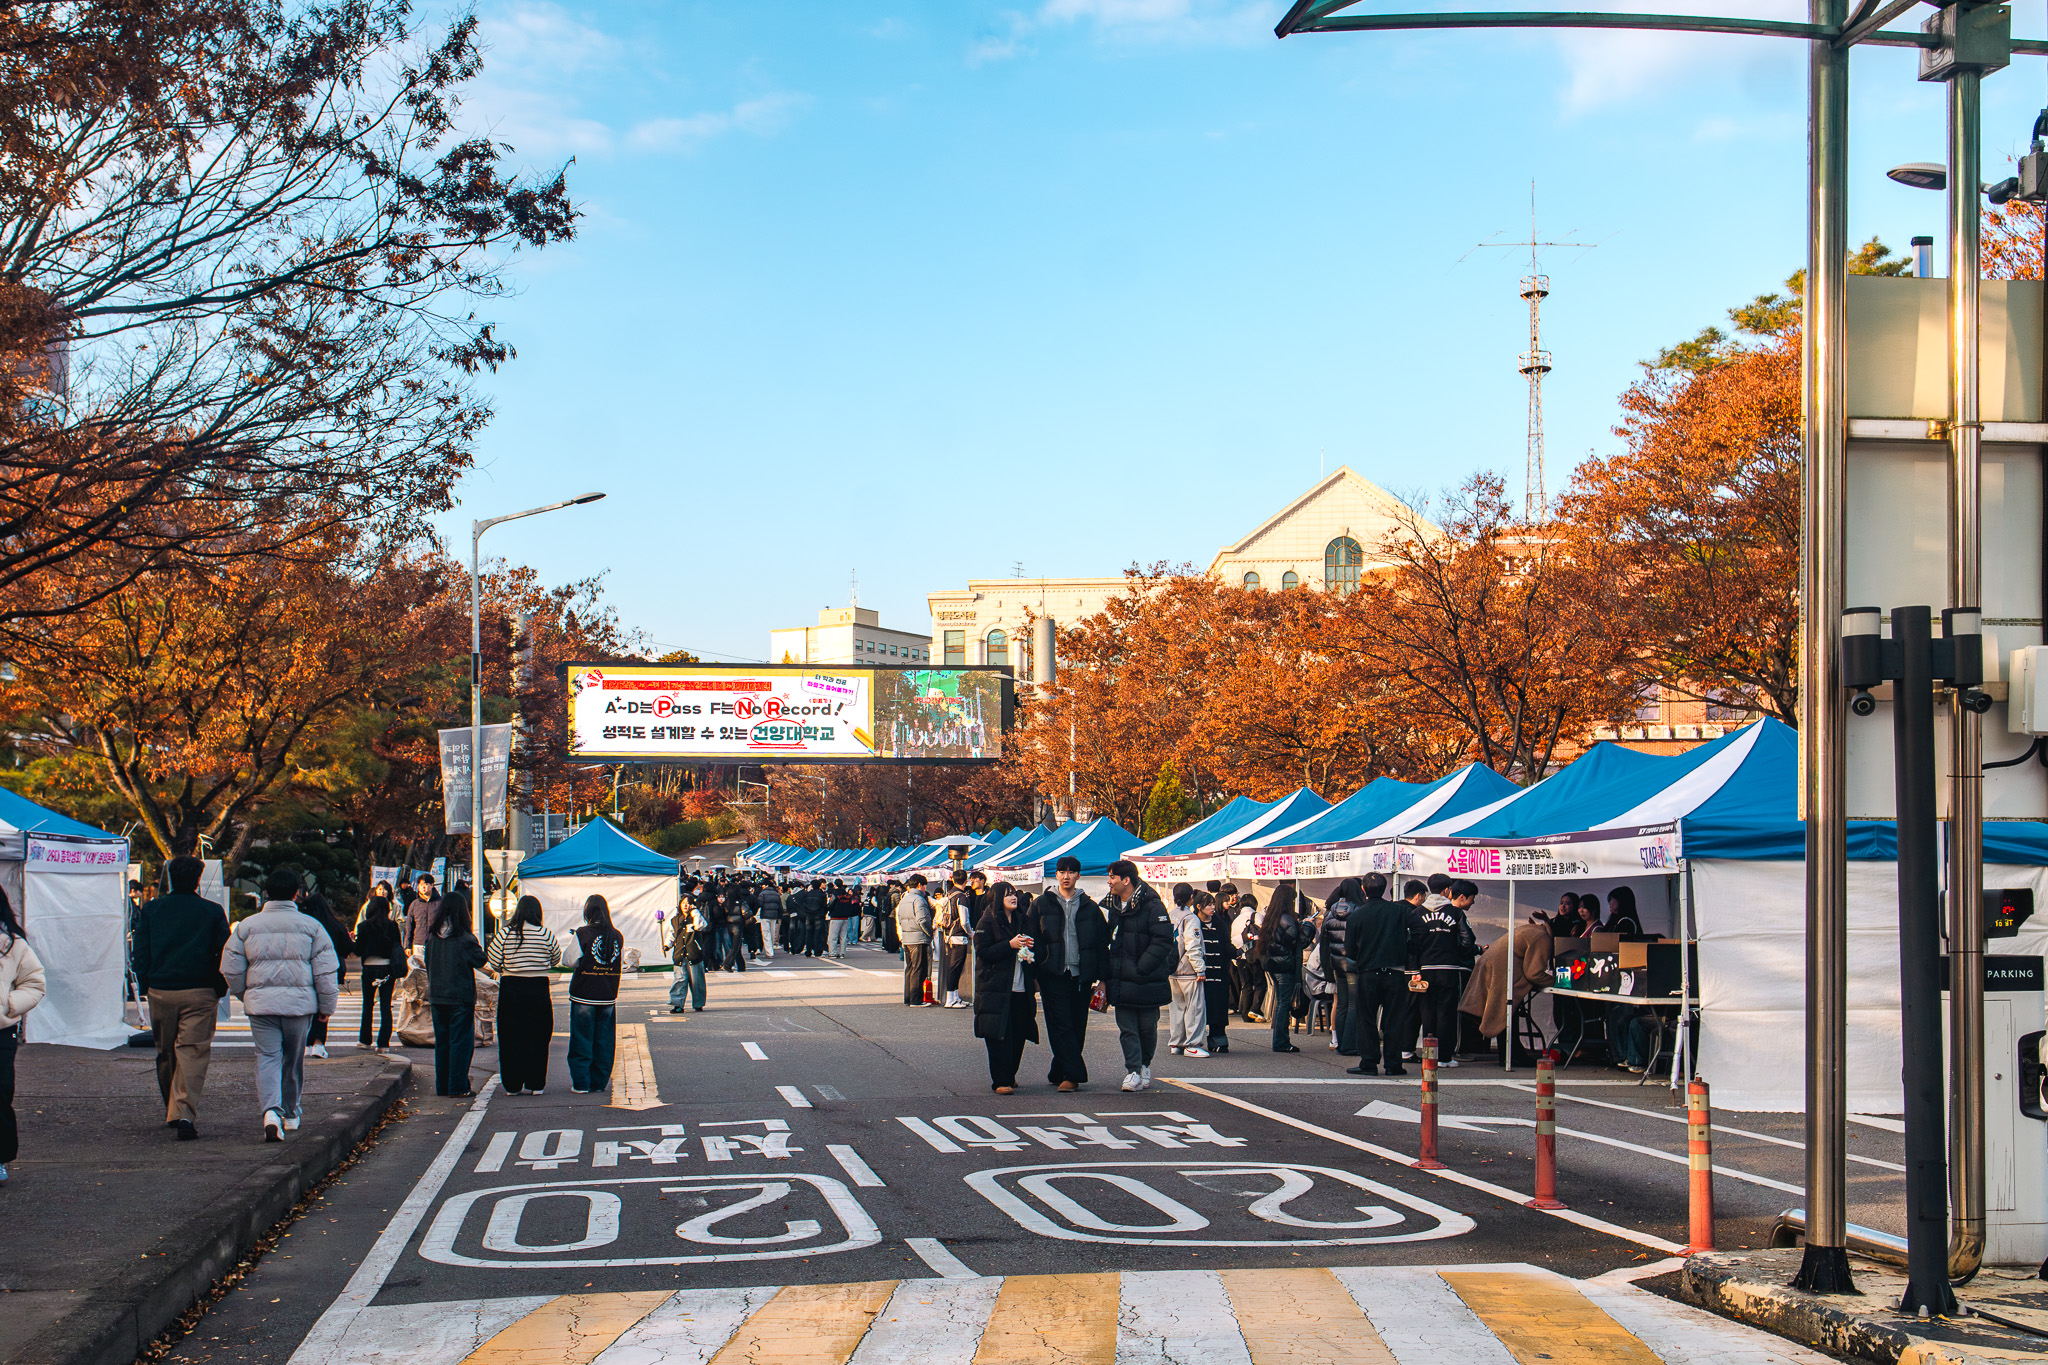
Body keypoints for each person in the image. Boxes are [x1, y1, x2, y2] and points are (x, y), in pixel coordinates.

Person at [222, 868, 339, 1140]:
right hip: (299, 1007)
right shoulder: (312, 927)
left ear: (266, 894)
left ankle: (270, 1111)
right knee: (293, 1058)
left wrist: (246, 993)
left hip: (261, 1006)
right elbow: (325, 973)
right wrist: (326, 1008)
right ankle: (290, 1112)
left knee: (267, 1057)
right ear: (297, 893)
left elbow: (230, 968)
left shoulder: (247, 926)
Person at [132, 856, 230, 1140]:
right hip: (200, 990)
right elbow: (224, 953)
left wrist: (146, 982)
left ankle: (172, 1109)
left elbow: (141, 952)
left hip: (161, 990)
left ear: (171, 878)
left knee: (165, 1052)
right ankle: (183, 1112)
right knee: (192, 1050)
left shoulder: (152, 909)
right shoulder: (212, 911)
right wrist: (219, 987)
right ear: (199, 879)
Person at [1026, 856, 1107, 1091]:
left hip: (1082, 974)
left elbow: (1102, 944)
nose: (1066, 876)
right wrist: (1032, 970)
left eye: (1071, 872)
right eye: (1062, 871)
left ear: (1078, 875)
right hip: (1051, 973)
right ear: (1056, 875)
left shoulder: (1090, 907)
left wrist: (1103, 980)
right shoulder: (1040, 904)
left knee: (1077, 1023)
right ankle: (1073, 1075)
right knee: (1059, 1023)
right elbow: (1026, 941)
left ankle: (1058, 1069)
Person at [1100, 860, 1174, 1091]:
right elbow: (1107, 940)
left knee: (1147, 1028)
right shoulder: (1112, 906)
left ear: (1126, 880)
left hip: (1147, 979)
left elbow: (1163, 941)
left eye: (1112, 877)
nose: (1109, 881)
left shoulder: (1153, 905)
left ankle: (1145, 1064)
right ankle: (1133, 1070)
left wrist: (1142, 967)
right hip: (1120, 979)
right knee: (1127, 1029)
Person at [1344, 873, 1422, 1076]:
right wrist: (1406, 948)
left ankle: (1369, 1062)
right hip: (1395, 972)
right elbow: (1420, 931)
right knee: (1394, 1019)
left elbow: (1350, 950)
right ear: (1385, 888)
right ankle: (1393, 1064)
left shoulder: (1356, 915)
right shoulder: (1399, 911)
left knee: (1367, 1019)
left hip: (1368, 972)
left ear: (1363, 889)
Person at [488, 896, 561, 1095]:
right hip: (538, 988)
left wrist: (508, 966)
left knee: (511, 1037)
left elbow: (493, 959)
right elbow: (556, 958)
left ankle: (512, 1084)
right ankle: (536, 1083)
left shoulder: (505, 934)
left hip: (511, 987)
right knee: (538, 1036)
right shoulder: (545, 934)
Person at [972, 881, 1038, 1093]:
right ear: (997, 898)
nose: (1013, 897)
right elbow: (983, 951)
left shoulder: (1022, 919)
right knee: (998, 1034)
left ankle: (1009, 1074)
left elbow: (1035, 943)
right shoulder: (987, 921)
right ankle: (1000, 1080)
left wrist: (1030, 945)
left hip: (1021, 986)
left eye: (1014, 894)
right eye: (1008, 894)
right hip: (995, 988)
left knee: (1018, 1033)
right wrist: (1009, 945)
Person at [0, 888, 47, 1182]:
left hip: (1, 1032)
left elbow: (34, 983)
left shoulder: (13, 945)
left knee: (0, 1092)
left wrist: (8, 1007)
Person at [423, 888, 485, 1098]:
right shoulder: (465, 938)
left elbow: (427, 963)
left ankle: (443, 1085)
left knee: (443, 1043)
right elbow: (481, 960)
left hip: (437, 996)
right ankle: (458, 1086)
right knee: (461, 1042)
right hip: (460, 996)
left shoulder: (432, 938)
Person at [1408, 877, 1474, 1065]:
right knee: (1446, 1013)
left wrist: (1415, 968)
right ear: (1447, 890)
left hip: (1425, 969)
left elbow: (1411, 943)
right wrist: (1456, 953)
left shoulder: (1416, 913)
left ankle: (1429, 1055)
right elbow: (1468, 940)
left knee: (1427, 1012)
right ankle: (1444, 1057)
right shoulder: (1456, 913)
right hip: (1449, 969)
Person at [567, 895, 625, 1093]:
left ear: (588, 912)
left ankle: (581, 1083)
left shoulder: (583, 933)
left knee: (582, 1040)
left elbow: (569, 960)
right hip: (608, 995)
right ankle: (599, 1082)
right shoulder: (616, 935)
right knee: (604, 1041)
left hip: (584, 993)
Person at [297, 889, 353, 1059]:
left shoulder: (303, 925)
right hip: (330, 971)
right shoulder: (334, 925)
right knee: (323, 1008)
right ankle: (318, 1044)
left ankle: (306, 1043)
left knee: (307, 1008)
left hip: (305, 970)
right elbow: (346, 948)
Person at [1252, 884, 1308, 1053]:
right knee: (1284, 1003)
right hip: (1285, 965)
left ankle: (1279, 1040)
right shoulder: (1287, 919)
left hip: (1273, 964)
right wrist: (1308, 927)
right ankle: (1281, 1041)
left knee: (1280, 1002)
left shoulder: (1272, 917)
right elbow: (1298, 941)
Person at [354, 886, 402, 1050]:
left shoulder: (364, 927)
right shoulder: (393, 926)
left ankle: (365, 1040)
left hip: (369, 968)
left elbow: (358, 950)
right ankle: (383, 1044)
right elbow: (397, 948)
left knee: (367, 1004)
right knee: (385, 1006)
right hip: (388, 969)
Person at [1166, 884, 1208, 1058]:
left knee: (1177, 1008)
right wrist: (1200, 969)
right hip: (1188, 970)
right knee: (1194, 1008)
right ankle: (1192, 1043)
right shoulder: (1191, 918)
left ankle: (1177, 1042)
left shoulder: (1171, 915)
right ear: (1191, 897)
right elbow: (1193, 945)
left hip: (1172, 969)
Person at [1319, 878, 1360, 1057]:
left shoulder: (1331, 912)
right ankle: (1351, 1044)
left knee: (1342, 1004)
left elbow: (1325, 941)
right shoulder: (1358, 910)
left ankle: (1340, 1042)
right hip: (1353, 963)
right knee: (1353, 1004)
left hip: (1336, 963)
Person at [1197, 892, 1232, 1054]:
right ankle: (1192, 1041)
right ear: (1199, 907)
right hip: (1200, 975)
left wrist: (1237, 951)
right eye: (1208, 905)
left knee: (1218, 1006)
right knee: (1199, 1009)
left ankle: (1218, 1039)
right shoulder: (1193, 923)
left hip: (1219, 974)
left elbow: (1226, 945)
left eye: (1213, 904)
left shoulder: (1219, 923)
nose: (1212, 907)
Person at [896, 875, 935, 1005]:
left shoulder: (904, 899)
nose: (925, 888)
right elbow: (923, 919)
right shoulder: (919, 900)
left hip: (907, 937)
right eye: (924, 885)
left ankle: (908, 998)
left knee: (910, 968)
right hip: (918, 938)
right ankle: (916, 999)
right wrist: (929, 932)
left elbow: (900, 918)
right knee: (919, 969)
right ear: (920, 885)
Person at [670, 894, 708, 1013]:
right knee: (679, 980)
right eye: (683, 903)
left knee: (697, 981)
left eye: (689, 903)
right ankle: (678, 1005)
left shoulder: (696, 917)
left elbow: (700, 926)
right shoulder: (676, 920)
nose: (686, 905)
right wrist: (667, 945)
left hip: (694, 953)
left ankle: (698, 1003)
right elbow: (671, 934)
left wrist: (695, 912)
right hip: (680, 954)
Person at [936, 882, 971, 1007]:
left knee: (954, 967)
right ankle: (950, 999)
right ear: (965, 881)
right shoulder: (961, 897)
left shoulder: (948, 895)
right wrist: (970, 932)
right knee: (955, 968)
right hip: (958, 936)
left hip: (948, 935)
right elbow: (964, 920)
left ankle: (955, 997)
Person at [402, 873, 440, 959]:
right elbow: (409, 926)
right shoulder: (415, 904)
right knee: (419, 970)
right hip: (419, 943)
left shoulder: (440, 903)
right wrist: (408, 945)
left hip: (437, 943)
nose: (423, 887)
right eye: (421, 884)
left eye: (426, 884)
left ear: (432, 885)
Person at [828, 881, 858, 960]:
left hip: (835, 917)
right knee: (843, 936)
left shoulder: (835, 894)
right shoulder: (847, 895)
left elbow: (831, 904)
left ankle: (832, 952)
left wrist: (829, 910)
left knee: (833, 936)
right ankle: (842, 953)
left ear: (835, 885)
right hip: (845, 917)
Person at [753, 880, 781, 961]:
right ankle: (770, 949)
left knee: (766, 933)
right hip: (774, 915)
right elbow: (780, 906)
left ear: (766, 885)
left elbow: (759, 904)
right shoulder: (776, 894)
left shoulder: (762, 894)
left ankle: (769, 952)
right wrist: (779, 916)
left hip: (765, 915)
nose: (762, 886)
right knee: (772, 932)